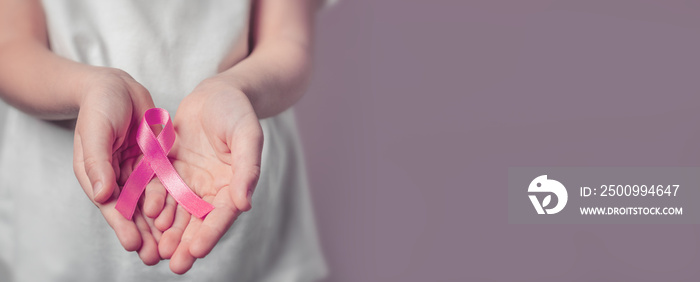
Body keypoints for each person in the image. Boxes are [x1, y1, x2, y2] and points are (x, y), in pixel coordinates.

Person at [0, 0, 330, 281]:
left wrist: (237, 87)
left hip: (233, 189)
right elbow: (10, 48)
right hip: (59, 226)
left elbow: (287, 40)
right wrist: (89, 88)